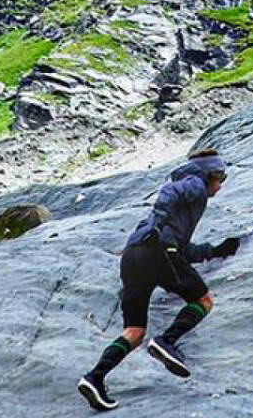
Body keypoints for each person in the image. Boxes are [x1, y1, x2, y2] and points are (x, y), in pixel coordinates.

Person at [78, 149, 240, 412]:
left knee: (134, 332)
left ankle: (94, 378)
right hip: (157, 250)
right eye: (220, 177)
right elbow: (169, 195)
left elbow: (183, 249)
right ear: (209, 174)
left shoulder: (181, 208)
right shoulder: (195, 185)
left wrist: (215, 250)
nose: (220, 185)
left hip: (133, 256)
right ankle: (166, 342)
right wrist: (160, 222)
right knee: (204, 301)